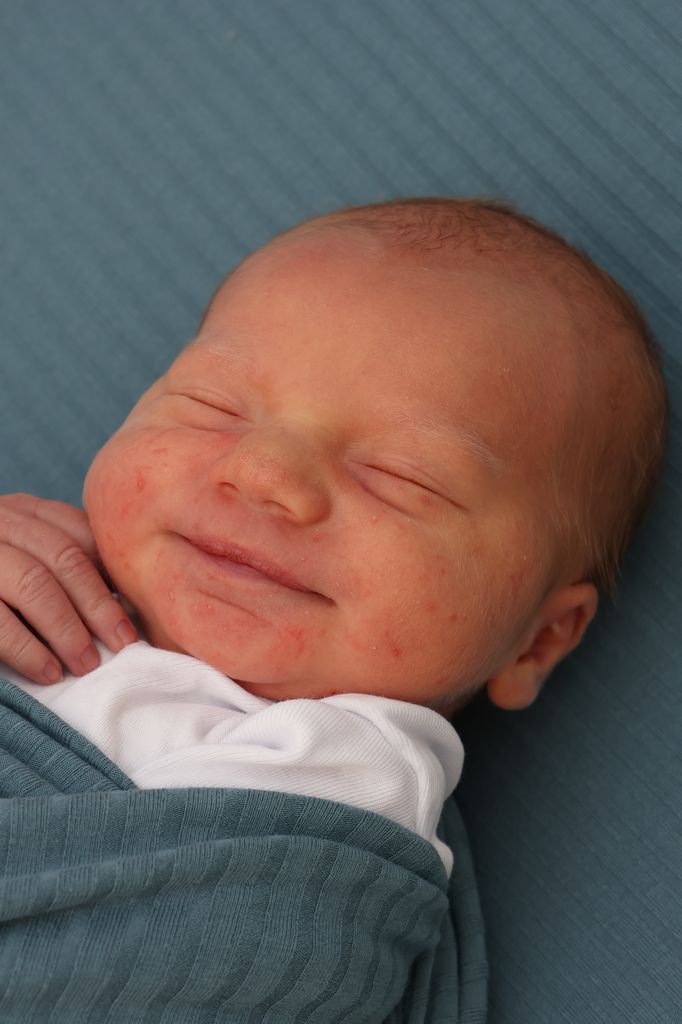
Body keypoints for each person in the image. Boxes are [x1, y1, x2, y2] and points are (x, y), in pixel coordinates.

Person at [0, 196, 668, 874]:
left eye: (402, 475)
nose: (264, 472)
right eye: (211, 404)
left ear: (539, 639)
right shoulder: (35, 561)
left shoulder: (338, 780)